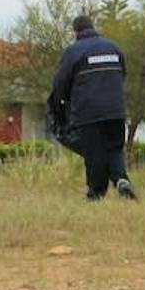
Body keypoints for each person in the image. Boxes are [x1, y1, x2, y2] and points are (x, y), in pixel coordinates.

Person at [50, 14, 137, 200]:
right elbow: (122, 74)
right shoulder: (113, 47)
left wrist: (60, 104)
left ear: (75, 32)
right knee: (114, 149)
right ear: (92, 27)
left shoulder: (73, 51)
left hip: (88, 112)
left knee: (94, 152)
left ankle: (96, 193)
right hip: (116, 110)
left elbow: (60, 83)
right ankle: (121, 179)